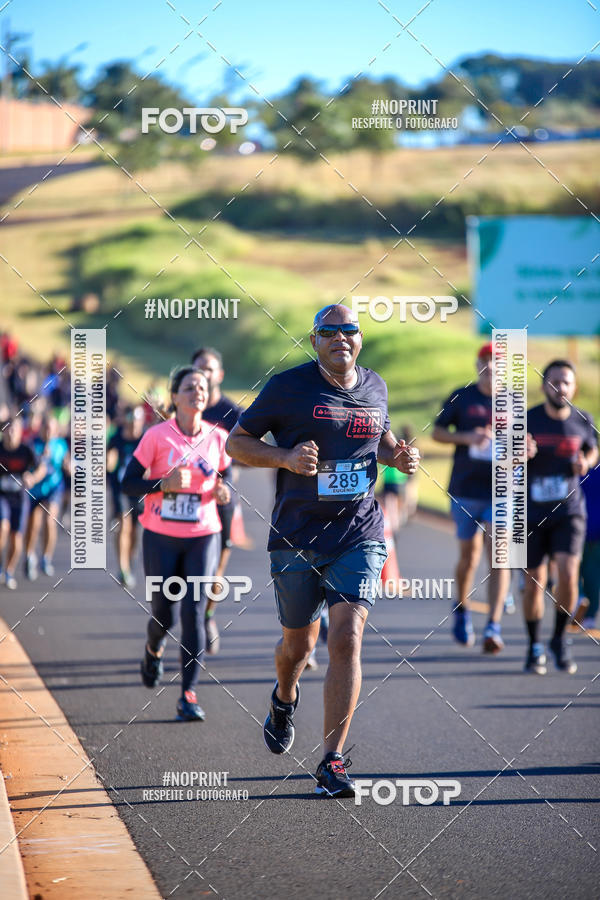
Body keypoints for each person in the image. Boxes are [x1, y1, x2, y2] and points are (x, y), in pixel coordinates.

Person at [226, 304, 419, 798]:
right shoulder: (288, 387)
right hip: (297, 535)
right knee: (298, 646)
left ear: (360, 338)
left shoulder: (376, 386)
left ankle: (332, 761)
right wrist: (285, 457)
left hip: (359, 531)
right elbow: (237, 444)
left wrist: (396, 454)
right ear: (314, 341)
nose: (340, 338)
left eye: (348, 329)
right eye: (328, 332)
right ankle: (284, 696)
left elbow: (377, 437)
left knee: (347, 638)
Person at [121, 367, 231, 721]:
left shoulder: (217, 438)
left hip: (203, 535)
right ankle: (153, 649)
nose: (198, 391)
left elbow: (224, 478)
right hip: (161, 538)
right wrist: (162, 484)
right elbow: (128, 483)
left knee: (194, 613)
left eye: (202, 386)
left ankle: (188, 694)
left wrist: (223, 490)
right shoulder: (156, 437)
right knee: (164, 615)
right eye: (189, 387)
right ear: (175, 396)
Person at [432, 343, 510, 653]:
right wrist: (468, 437)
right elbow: (437, 432)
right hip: (465, 488)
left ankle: (494, 625)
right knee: (470, 556)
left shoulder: (513, 402)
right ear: (477, 364)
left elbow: (524, 442)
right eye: (485, 361)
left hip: (500, 490)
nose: (490, 367)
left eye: (496, 362)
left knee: (500, 558)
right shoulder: (461, 396)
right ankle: (462, 608)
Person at [523, 360, 598, 674]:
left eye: (566, 382)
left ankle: (558, 639)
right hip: (530, 511)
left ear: (574, 387)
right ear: (544, 386)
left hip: (569, 511)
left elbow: (594, 449)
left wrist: (586, 462)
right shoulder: (527, 419)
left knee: (569, 574)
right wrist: (519, 453)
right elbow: (504, 457)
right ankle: (534, 645)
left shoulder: (583, 419)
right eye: (554, 382)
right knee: (534, 582)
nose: (560, 388)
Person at [191, 347, 244, 655]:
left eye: (210, 369)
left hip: (222, 495)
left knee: (216, 566)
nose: (205, 374)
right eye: (200, 368)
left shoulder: (232, 413)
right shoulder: (184, 406)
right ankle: (185, 617)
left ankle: (207, 615)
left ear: (220, 375)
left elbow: (250, 451)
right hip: (185, 497)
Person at [0, 418, 45, 589]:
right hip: (2, 496)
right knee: (3, 527)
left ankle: (8, 571)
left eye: (14, 430)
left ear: (20, 432)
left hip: (19, 498)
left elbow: (42, 468)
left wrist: (32, 477)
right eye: (7, 430)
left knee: (16, 536)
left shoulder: (26, 450)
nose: (10, 433)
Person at [24, 415, 69, 579]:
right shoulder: (32, 444)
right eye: (46, 428)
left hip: (54, 488)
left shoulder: (60, 445)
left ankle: (46, 557)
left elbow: (67, 463)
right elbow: (27, 466)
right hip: (35, 490)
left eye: (52, 428)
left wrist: (70, 467)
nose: (49, 432)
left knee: (50, 521)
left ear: (56, 430)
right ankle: (29, 556)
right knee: (33, 525)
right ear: (41, 429)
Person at [107, 405, 146, 587]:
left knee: (135, 531)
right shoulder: (116, 438)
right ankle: (122, 567)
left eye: (137, 423)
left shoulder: (145, 438)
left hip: (139, 490)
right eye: (131, 423)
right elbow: (108, 461)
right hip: (120, 488)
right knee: (124, 524)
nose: (134, 427)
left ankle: (130, 559)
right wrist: (109, 462)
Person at [578, 463, 600, 630]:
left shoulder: (577, 468)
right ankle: (590, 614)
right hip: (592, 528)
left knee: (575, 569)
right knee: (593, 572)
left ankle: (578, 600)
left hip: (578, 527)